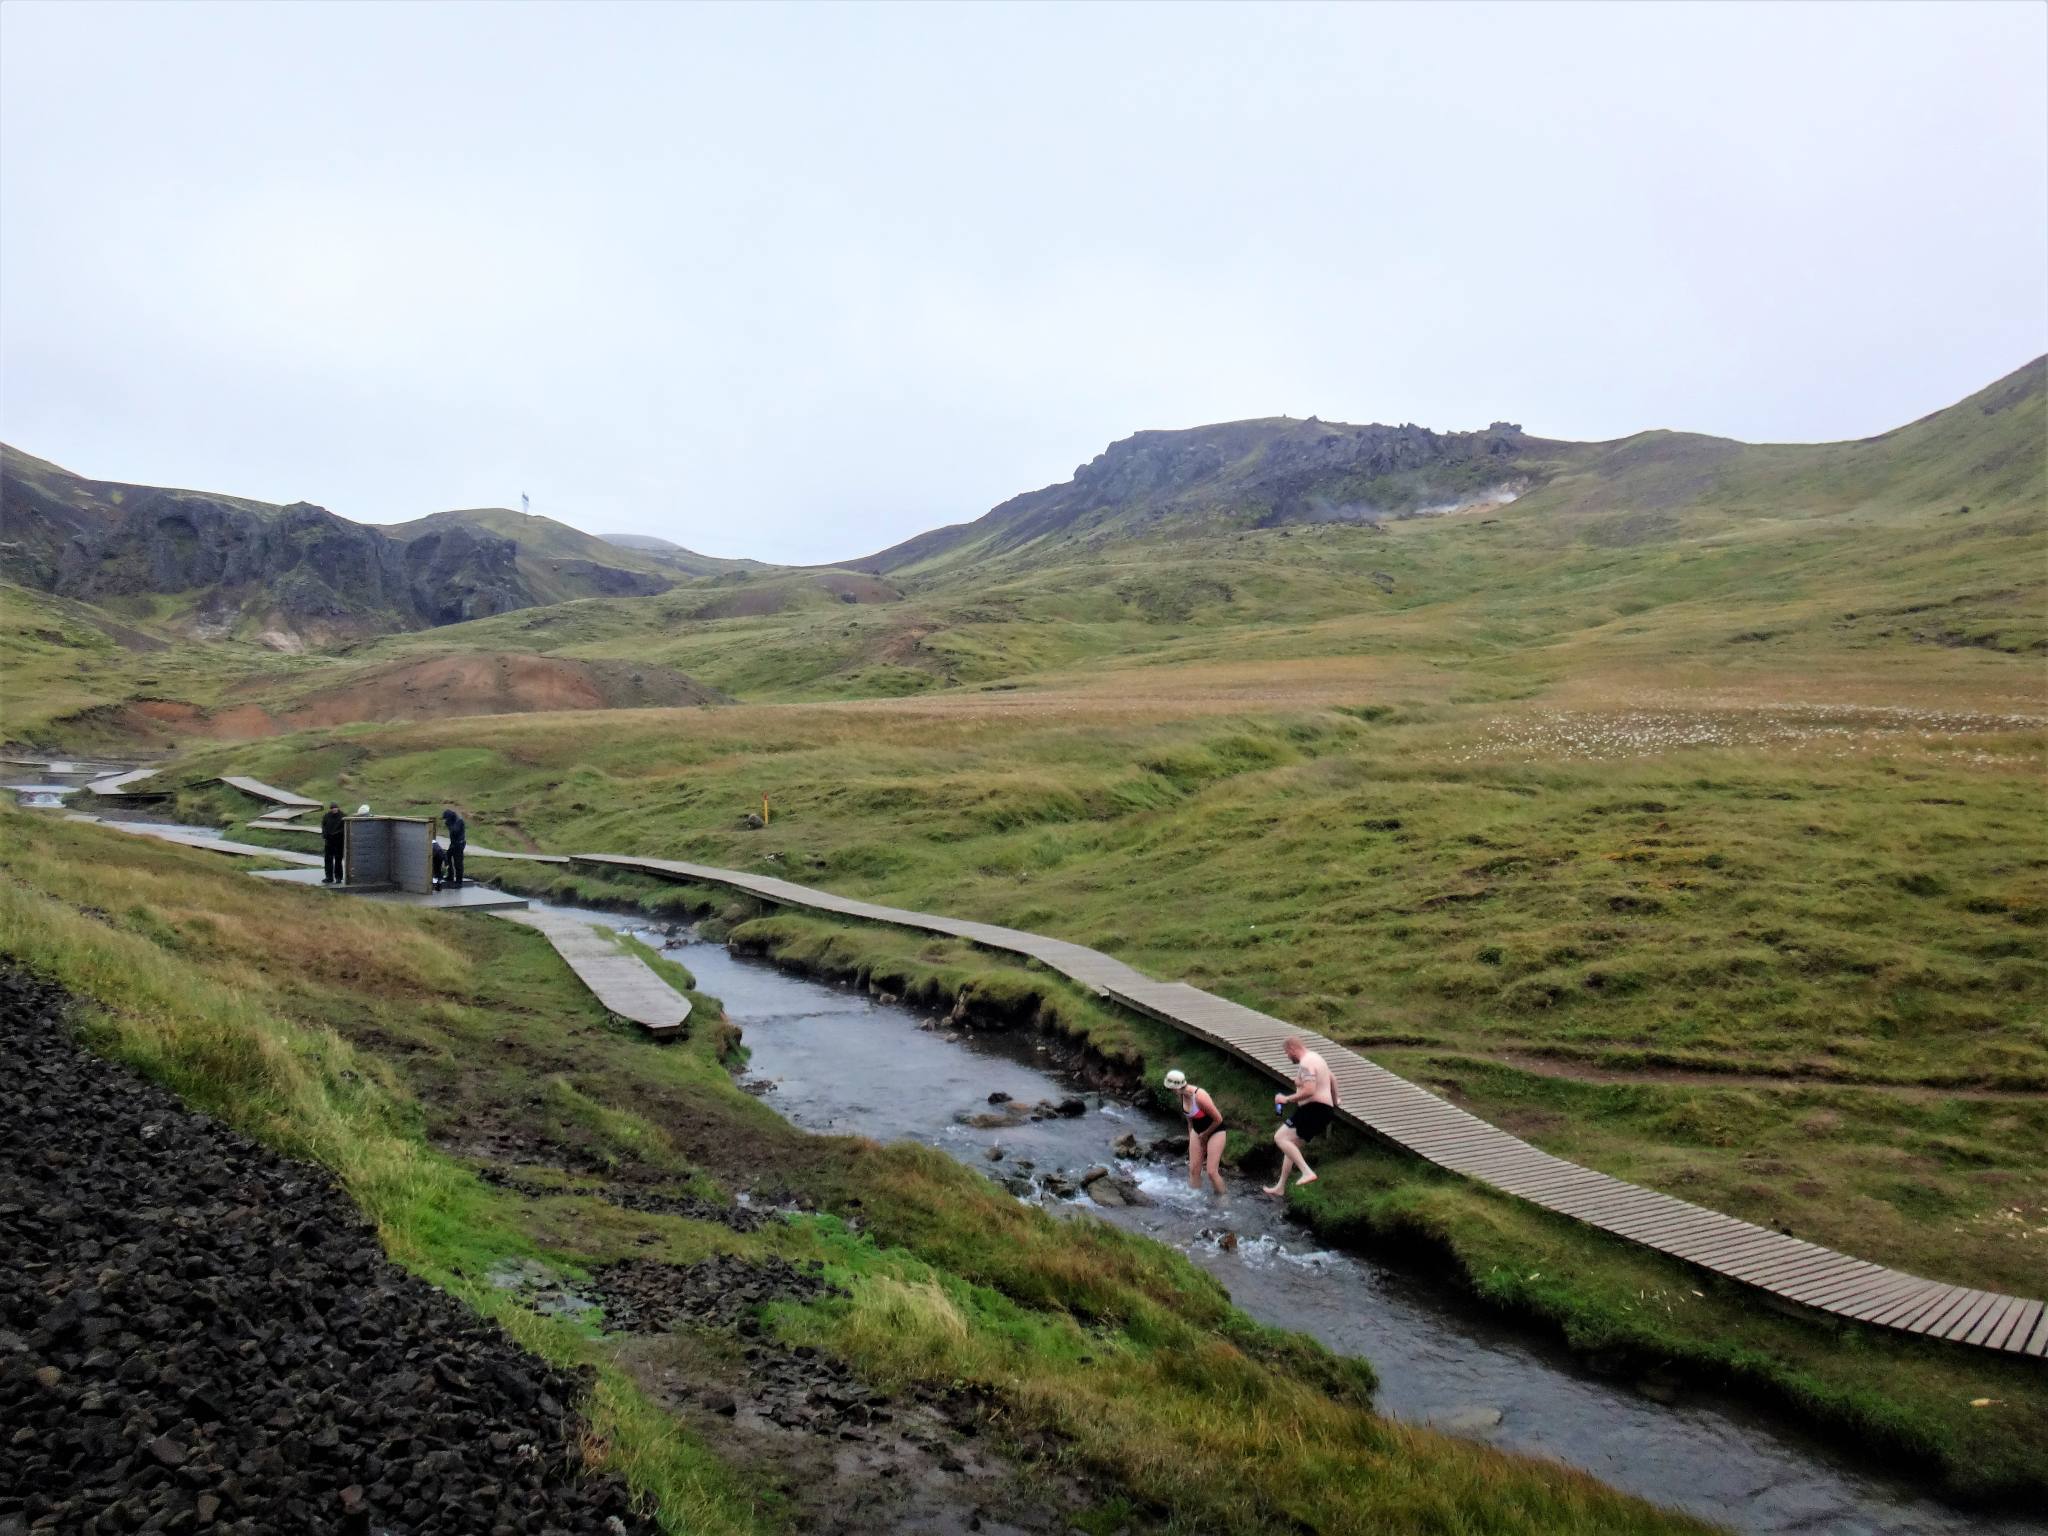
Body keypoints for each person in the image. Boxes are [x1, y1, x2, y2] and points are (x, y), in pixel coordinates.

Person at [1265, 1036, 1339, 1196]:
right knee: (1292, 1146)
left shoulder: (1306, 1063)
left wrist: (1286, 1099)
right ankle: (1281, 1187)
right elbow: (1333, 1078)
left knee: (1280, 1138)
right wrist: (1334, 1100)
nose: (1287, 1056)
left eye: (1286, 1053)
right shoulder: (1316, 1058)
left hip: (1313, 1110)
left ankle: (1307, 1172)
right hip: (1323, 1110)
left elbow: (1310, 1090)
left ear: (1292, 1048)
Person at [1164, 1068, 1228, 1196]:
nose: (1170, 1091)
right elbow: (1190, 1120)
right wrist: (1192, 1137)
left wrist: (1205, 1135)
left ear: (1176, 1088)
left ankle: (1223, 1200)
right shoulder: (1181, 1096)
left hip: (1216, 1130)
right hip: (1197, 1131)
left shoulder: (1199, 1096)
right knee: (1193, 1169)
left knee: (1211, 1171)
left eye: (1170, 1089)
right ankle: (1194, 1199)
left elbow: (1218, 1119)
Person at [440, 807, 466, 887]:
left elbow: (455, 831)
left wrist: (449, 824)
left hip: (459, 844)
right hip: (453, 843)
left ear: (450, 817)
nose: (445, 820)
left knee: (458, 863)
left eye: (446, 818)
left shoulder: (459, 821)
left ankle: (459, 882)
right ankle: (450, 876)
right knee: (447, 857)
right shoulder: (451, 821)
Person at [320, 802, 345, 885]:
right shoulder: (326, 816)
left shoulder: (343, 816)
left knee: (338, 860)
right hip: (329, 841)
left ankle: (338, 877)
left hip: (339, 841)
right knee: (328, 860)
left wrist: (336, 834)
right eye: (332, 808)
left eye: (335, 808)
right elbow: (323, 826)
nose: (334, 809)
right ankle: (329, 877)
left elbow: (344, 829)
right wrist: (325, 835)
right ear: (330, 809)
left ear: (338, 808)